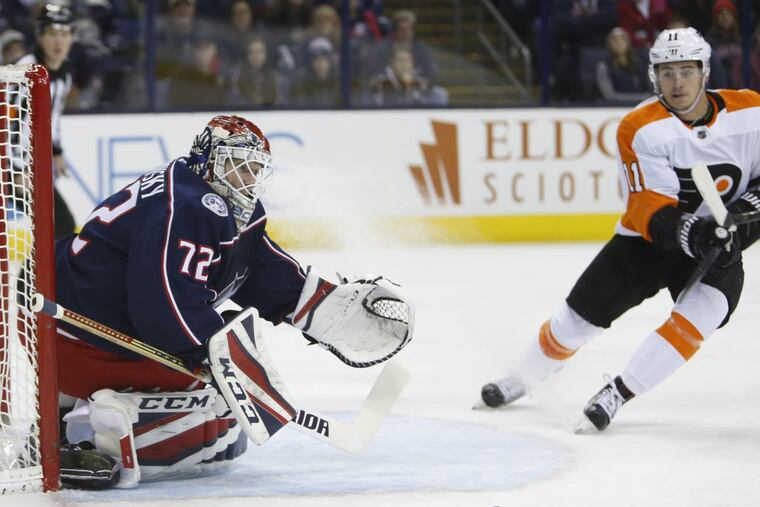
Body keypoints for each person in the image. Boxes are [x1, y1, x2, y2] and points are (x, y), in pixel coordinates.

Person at [54, 114, 414, 488]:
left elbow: (258, 270)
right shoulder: (190, 204)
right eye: (236, 166)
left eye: (254, 170)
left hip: (86, 321)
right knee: (209, 410)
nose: (246, 179)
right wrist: (215, 354)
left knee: (222, 411)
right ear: (207, 158)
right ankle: (83, 427)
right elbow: (162, 306)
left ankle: (79, 405)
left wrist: (323, 305)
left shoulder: (213, 200)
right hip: (79, 337)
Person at [479, 28, 760, 432]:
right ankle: (526, 374)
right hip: (646, 244)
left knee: (706, 312)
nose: (677, 81)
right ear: (653, 76)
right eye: (666, 72)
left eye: (686, 70)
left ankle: (619, 391)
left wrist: (739, 228)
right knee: (574, 322)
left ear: (705, 71)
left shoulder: (751, 112)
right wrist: (698, 235)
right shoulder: (639, 127)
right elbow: (651, 209)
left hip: (718, 247)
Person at [14, 4, 76, 239]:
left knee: (56, 227)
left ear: (72, 37)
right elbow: (9, 122)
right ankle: (33, 277)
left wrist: (56, 151)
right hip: (11, 167)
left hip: (31, 168)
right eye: (52, 33)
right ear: (40, 35)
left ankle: (31, 277)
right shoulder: (25, 71)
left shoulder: (65, 72)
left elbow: (53, 115)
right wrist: (17, 170)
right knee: (58, 224)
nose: (58, 42)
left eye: (64, 33)